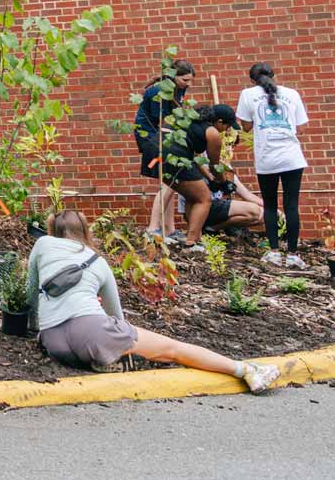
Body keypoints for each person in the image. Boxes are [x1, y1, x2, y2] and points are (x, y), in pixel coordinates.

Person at [28, 209, 278, 394]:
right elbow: (116, 315)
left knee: (102, 342)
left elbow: (31, 291)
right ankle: (244, 370)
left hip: (53, 341)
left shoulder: (42, 244)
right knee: (173, 349)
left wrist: (32, 326)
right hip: (91, 333)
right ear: (85, 230)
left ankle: (102, 359)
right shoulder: (98, 262)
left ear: (53, 230)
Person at [234, 62, 309, 268]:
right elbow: (301, 128)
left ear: (252, 80)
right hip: (292, 157)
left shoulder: (247, 94)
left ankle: (274, 251)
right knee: (291, 205)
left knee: (269, 205)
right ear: (274, 75)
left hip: (267, 158)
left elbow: (246, 127)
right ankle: (293, 254)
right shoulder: (292, 94)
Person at [161, 104, 264, 243]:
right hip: (174, 156)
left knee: (194, 196)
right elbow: (214, 166)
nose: (226, 131)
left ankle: (196, 237)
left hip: (160, 152)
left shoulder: (192, 124)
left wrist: (212, 179)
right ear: (219, 121)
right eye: (227, 126)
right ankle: (191, 242)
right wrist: (223, 182)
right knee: (204, 198)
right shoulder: (211, 132)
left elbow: (196, 159)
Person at [134, 59, 195, 243]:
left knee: (170, 180)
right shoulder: (157, 91)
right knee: (169, 180)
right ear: (174, 77)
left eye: (190, 80)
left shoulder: (179, 89)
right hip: (150, 134)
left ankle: (169, 229)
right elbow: (162, 121)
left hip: (166, 133)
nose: (188, 84)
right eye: (185, 80)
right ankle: (153, 228)